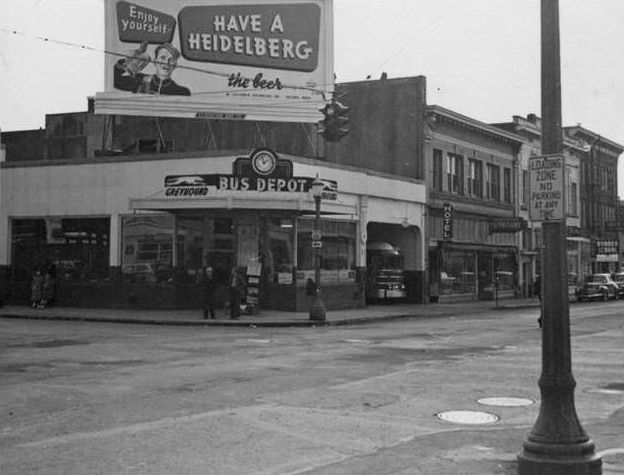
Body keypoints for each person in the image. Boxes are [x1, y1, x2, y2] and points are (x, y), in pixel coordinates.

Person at [114, 42, 191, 96]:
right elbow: (114, 80)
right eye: (163, 58)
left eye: (171, 60)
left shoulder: (182, 92)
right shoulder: (140, 80)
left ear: (175, 65)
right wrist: (128, 61)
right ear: (154, 61)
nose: (166, 63)